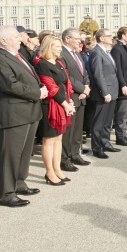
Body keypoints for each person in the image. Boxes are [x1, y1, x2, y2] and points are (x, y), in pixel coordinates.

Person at [0, 26, 46, 207]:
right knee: (11, 155)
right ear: (3, 40)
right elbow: (10, 85)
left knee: (24, 152)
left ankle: (20, 182)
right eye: (16, 37)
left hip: (28, 112)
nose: (20, 39)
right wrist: (36, 92)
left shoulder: (17, 55)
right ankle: (6, 193)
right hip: (13, 114)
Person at [36, 37, 76, 186]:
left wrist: (69, 99)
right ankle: (49, 172)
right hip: (51, 105)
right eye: (57, 46)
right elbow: (50, 86)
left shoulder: (58, 63)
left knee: (59, 138)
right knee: (49, 139)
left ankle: (57, 169)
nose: (60, 49)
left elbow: (66, 83)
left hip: (62, 102)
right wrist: (65, 104)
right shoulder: (42, 64)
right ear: (48, 47)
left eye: (60, 46)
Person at [59, 28, 91, 169]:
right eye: (77, 39)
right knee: (69, 131)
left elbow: (85, 74)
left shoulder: (77, 53)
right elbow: (66, 76)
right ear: (67, 39)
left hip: (82, 96)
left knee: (78, 130)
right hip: (71, 96)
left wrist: (87, 87)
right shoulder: (62, 53)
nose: (80, 41)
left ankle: (75, 154)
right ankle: (64, 159)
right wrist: (82, 88)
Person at [88, 28, 120, 159]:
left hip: (112, 91)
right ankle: (96, 147)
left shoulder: (106, 52)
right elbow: (98, 74)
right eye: (109, 36)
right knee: (98, 122)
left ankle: (105, 142)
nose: (111, 38)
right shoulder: (96, 52)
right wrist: (104, 92)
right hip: (103, 93)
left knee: (107, 121)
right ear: (101, 38)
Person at [111, 26, 127, 147]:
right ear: (123, 36)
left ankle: (124, 134)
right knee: (122, 112)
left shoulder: (126, 46)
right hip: (124, 84)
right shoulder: (117, 48)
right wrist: (123, 84)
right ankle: (120, 136)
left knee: (126, 112)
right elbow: (118, 69)